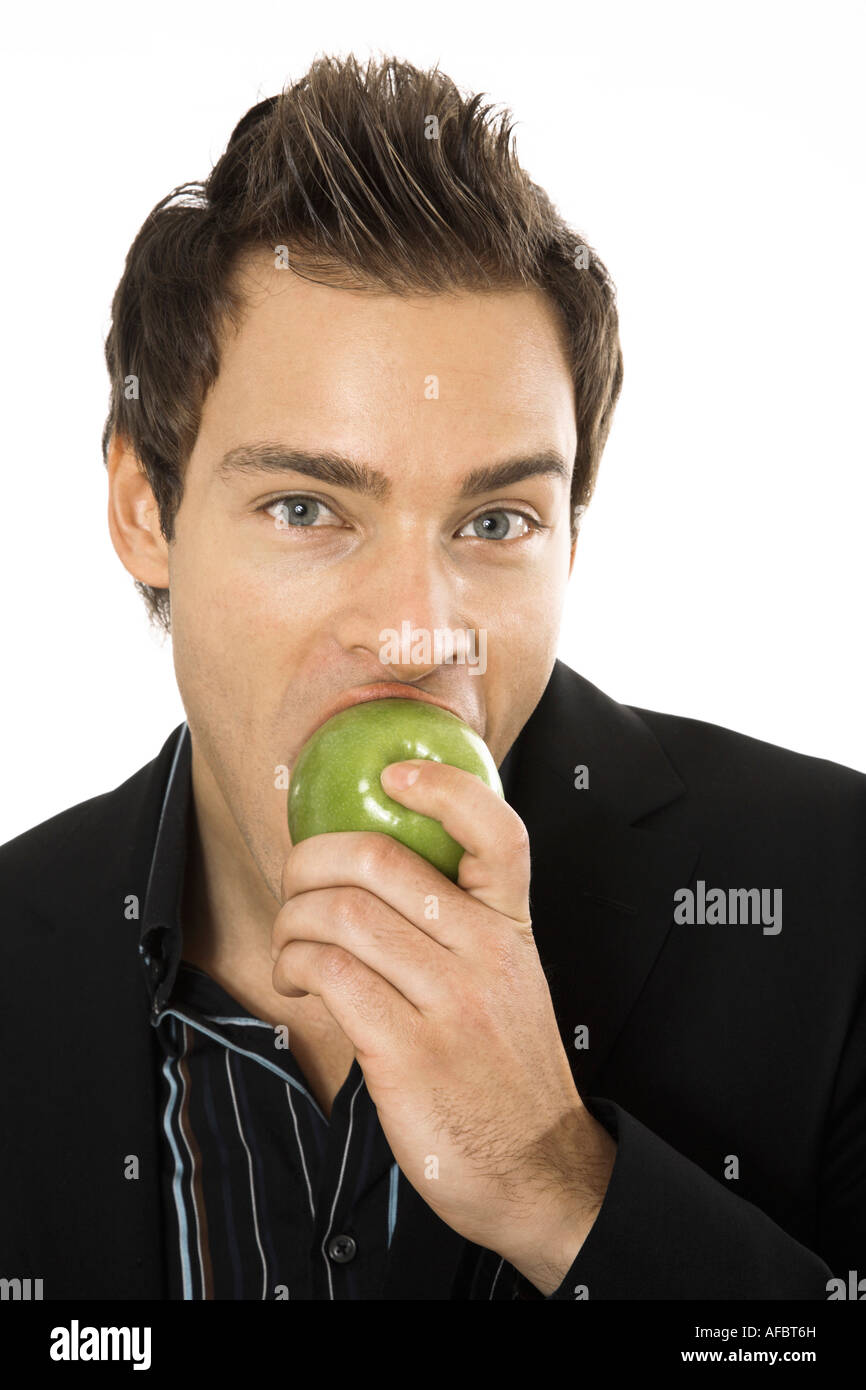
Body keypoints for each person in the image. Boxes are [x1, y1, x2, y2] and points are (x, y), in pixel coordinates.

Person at [1, 53, 863, 1302]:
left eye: (495, 521)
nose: (415, 633)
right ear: (145, 510)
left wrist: (559, 1182)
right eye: (307, 507)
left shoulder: (834, 901)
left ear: (572, 529)